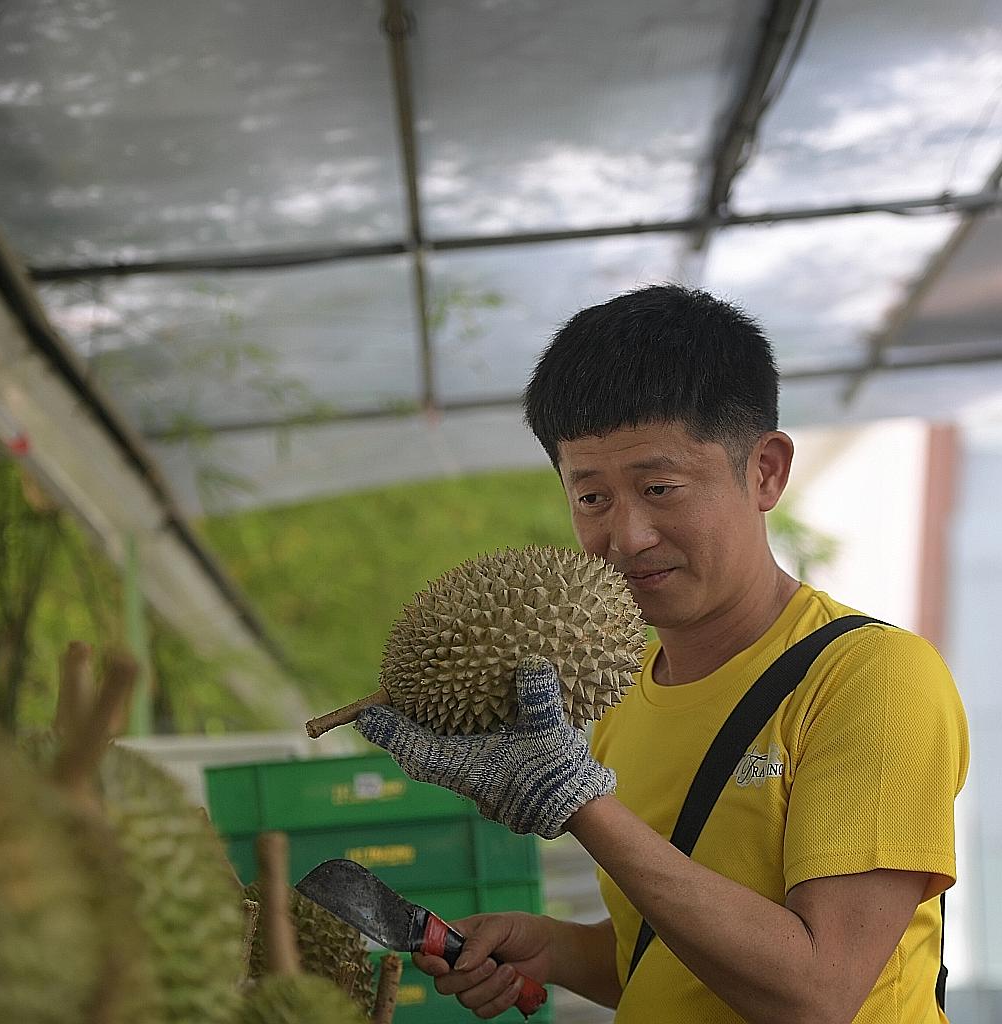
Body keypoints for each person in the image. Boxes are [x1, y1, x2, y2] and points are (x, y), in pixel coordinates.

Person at [356, 284, 969, 1023]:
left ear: (766, 471)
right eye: (591, 498)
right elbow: (685, 959)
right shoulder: (618, 703)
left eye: (660, 486)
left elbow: (817, 991)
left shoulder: (872, 678)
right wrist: (554, 950)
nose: (628, 535)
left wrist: (581, 804)